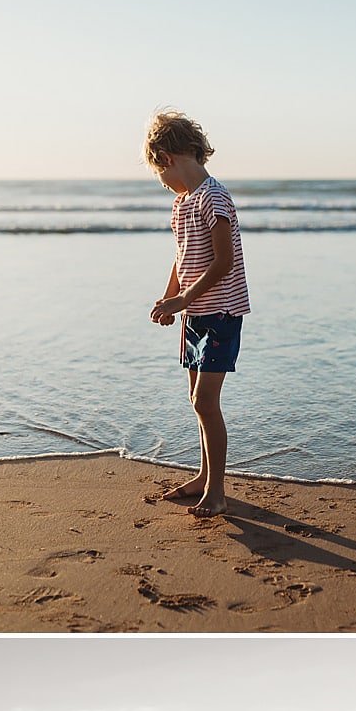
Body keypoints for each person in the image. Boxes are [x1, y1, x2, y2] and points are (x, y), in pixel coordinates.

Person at [145, 107, 250, 519]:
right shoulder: (181, 204)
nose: (165, 186)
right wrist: (170, 298)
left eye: (161, 176)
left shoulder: (213, 196)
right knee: (197, 400)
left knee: (206, 400)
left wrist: (183, 300)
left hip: (220, 310)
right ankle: (205, 478)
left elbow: (223, 262)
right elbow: (182, 257)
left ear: (166, 159)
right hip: (194, 312)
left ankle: (218, 492)